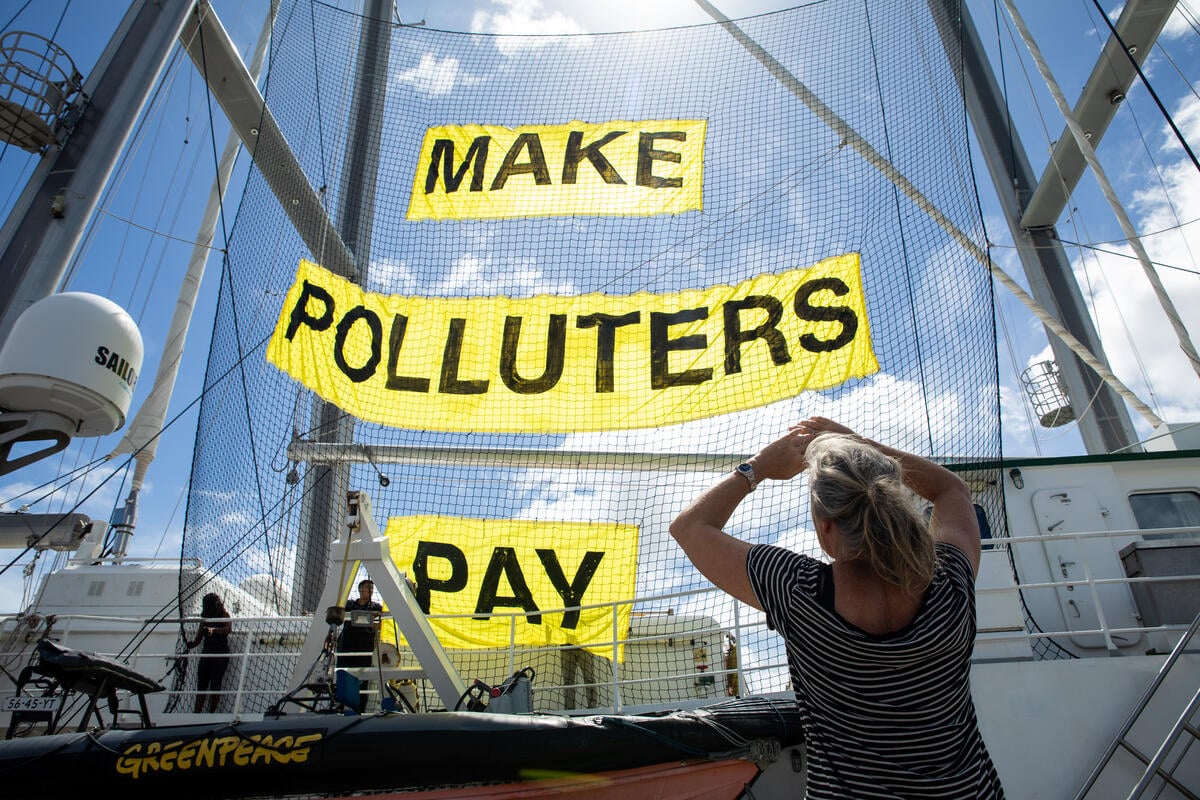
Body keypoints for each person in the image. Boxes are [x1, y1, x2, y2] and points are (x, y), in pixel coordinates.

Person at [670, 416, 1005, 798]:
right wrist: (856, 444)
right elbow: (952, 489)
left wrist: (758, 466)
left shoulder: (797, 591)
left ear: (827, 529)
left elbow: (689, 527)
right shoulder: (950, 584)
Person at [187, 592, 232, 714]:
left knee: (215, 684)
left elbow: (228, 629)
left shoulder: (224, 615)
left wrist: (214, 630)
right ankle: (197, 712)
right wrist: (191, 644)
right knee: (202, 685)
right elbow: (198, 638)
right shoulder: (205, 618)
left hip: (220, 654)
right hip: (207, 653)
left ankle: (211, 712)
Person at [338, 579, 382, 669]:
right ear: (360, 589)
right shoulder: (349, 604)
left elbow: (381, 625)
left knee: (364, 675)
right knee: (343, 672)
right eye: (368, 587)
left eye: (372, 588)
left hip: (365, 647)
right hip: (347, 645)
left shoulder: (376, 607)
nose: (371, 590)